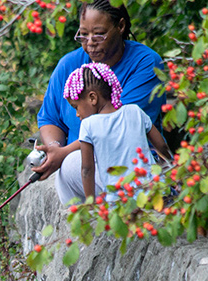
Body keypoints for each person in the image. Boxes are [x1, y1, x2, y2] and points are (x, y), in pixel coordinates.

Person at [35, 0, 164, 204]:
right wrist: (55, 148)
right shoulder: (69, 65)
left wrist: (64, 153)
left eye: (99, 34)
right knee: (68, 165)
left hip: (130, 165)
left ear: (120, 26)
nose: (90, 44)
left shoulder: (145, 63)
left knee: (70, 163)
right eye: (83, 35)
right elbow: (50, 118)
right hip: (84, 168)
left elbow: (117, 127)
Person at [64, 62, 172, 204]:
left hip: (121, 200)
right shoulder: (135, 111)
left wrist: (91, 205)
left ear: (92, 98)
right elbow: (162, 146)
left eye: (76, 107)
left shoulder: (88, 125)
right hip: (154, 191)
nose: (77, 114)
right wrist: (170, 172)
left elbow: (87, 170)